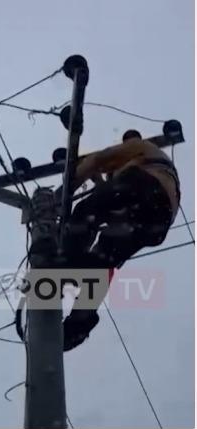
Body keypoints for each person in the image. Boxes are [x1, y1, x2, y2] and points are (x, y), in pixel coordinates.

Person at [60, 130, 180, 351]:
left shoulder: (139, 147)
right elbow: (109, 193)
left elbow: (99, 159)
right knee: (102, 260)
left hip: (146, 188)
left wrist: (65, 189)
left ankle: (65, 263)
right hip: (158, 221)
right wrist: (101, 182)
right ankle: (77, 326)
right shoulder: (145, 168)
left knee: (85, 211)